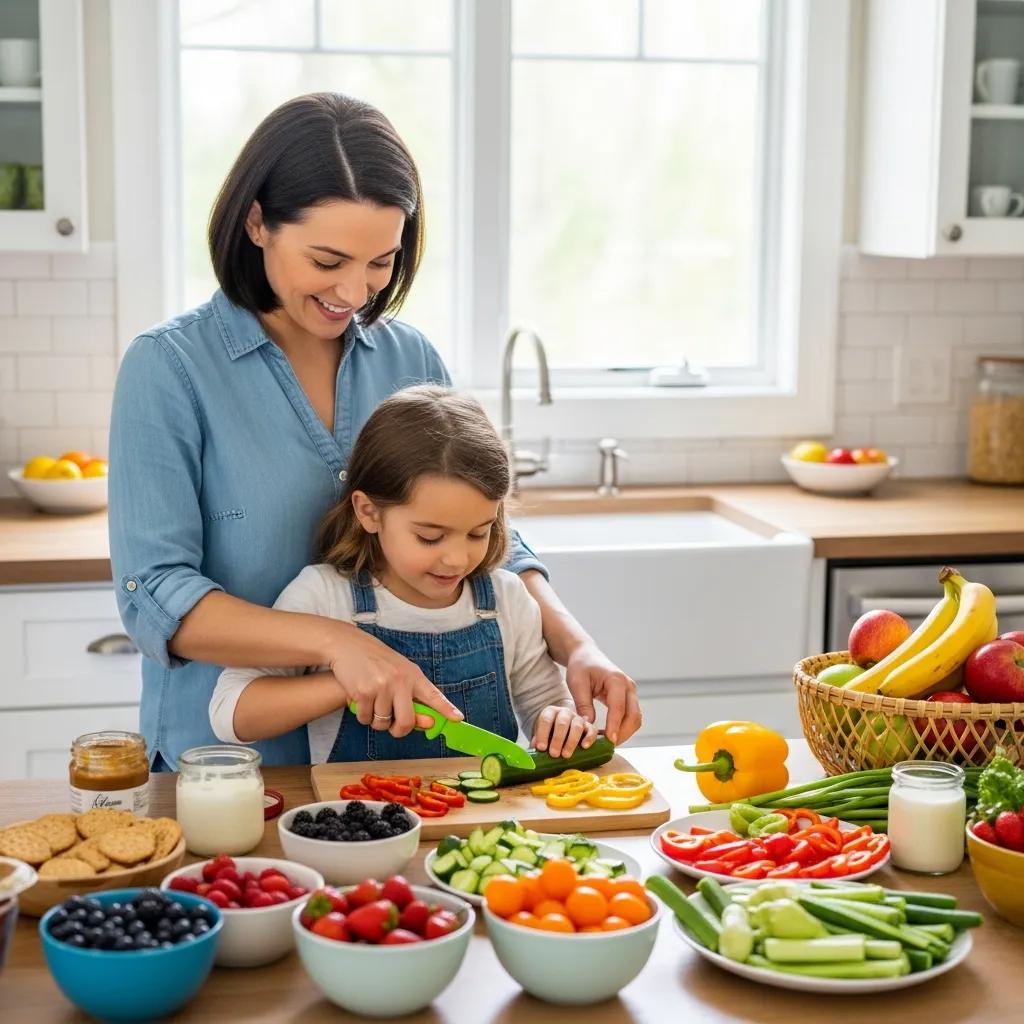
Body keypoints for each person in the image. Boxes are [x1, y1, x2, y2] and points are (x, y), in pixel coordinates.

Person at [108, 92, 641, 770]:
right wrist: (337, 645)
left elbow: (481, 523)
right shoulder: (171, 367)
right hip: (227, 764)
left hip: (398, 777)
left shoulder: (409, 358)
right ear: (256, 224)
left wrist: (576, 645)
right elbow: (157, 596)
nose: (356, 293)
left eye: (381, 261)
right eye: (328, 262)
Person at [210, 385, 597, 763]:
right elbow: (230, 712)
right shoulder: (325, 596)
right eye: (430, 537)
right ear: (369, 512)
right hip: (362, 822)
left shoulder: (507, 598)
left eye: (479, 532)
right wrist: (343, 683)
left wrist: (560, 718)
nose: (457, 560)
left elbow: (545, 701)